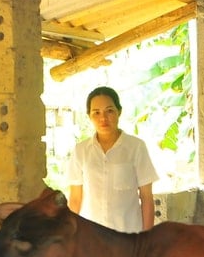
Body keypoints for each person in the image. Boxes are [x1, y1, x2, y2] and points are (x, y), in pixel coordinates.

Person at [67, 86, 159, 233]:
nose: (103, 118)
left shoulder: (136, 147)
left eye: (109, 111)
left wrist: (147, 239)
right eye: (96, 112)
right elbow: (75, 198)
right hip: (92, 237)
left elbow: (147, 197)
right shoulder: (81, 151)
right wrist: (69, 235)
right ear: (89, 116)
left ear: (119, 112)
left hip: (128, 237)